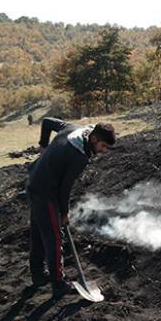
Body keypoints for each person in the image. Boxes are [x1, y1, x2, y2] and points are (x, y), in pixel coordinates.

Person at [26, 117, 116, 296]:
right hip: (46, 193)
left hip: (33, 183)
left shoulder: (72, 128)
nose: (103, 151)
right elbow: (64, 188)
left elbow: (47, 122)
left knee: (38, 231)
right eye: (103, 146)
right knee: (55, 236)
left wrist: (43, 146)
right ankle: (58, 284)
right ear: (94, 139)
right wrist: (64, 212)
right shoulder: (79, 157)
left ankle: (37, 275)